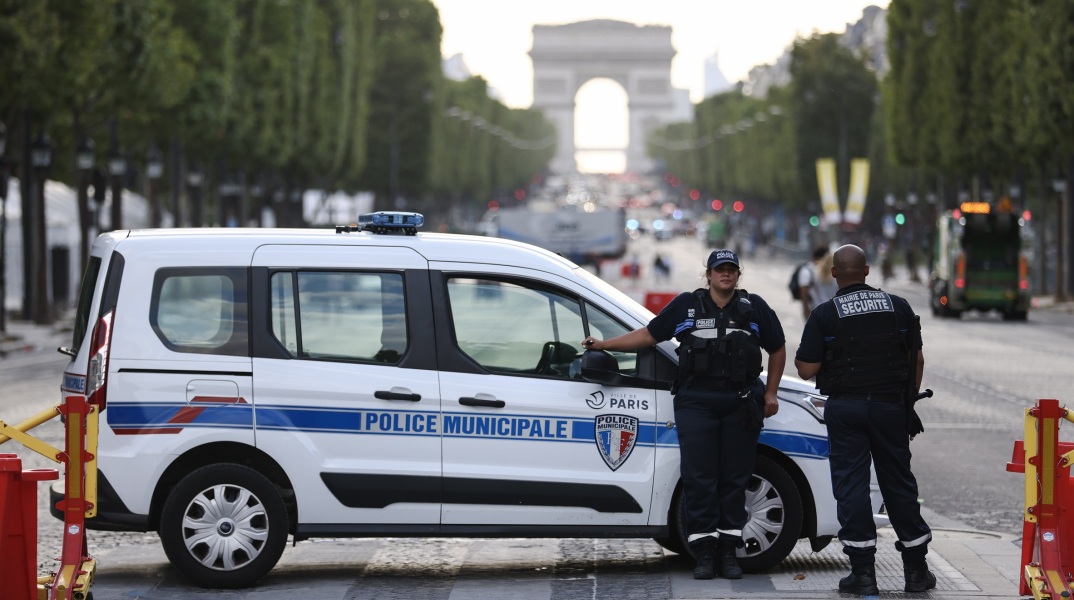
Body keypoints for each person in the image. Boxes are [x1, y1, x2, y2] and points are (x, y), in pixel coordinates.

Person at [582, 249, 786, 581]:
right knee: (699, 478)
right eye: (719, 269)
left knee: (734, 479)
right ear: (707, 274)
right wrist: (605, 345)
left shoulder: (754, 308)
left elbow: (777, 348)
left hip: (740, 402)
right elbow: (649, 335)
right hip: (696, 404)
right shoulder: (687, 306)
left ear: (738, 274)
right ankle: (704, 552)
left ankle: (728, 552)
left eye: (731, 269)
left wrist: (772, 392)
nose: (726, 274)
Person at [793, 244, 934, 596]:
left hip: (846, 411)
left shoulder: (825, 314)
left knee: (851, 487)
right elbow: (916, 360)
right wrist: (907, 401)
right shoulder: (898, 307)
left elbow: (807, 368)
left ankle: (863, 574)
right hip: (890, 409)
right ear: (868, 271)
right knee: (899, 484)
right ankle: (916, 572)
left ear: (835, 273)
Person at [796, 246, 829, 318]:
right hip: (814, 310)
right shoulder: (807, 270)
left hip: (824, 309)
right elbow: (803, 290)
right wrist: (806, 309)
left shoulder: (823, 270)